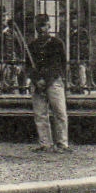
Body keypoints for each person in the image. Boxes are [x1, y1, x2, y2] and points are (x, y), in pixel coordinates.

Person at [26, 14, 69, 153]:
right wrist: (36, 80)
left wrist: (47, 79)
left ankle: (62, 143)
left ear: (49, 26)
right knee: (40, 114)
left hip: (54, 82)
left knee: (60, 112)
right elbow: (28, 66)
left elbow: (60, 64)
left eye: (44, 25)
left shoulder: (57, 43)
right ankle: (45, 143)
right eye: (39, 26)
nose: (41, 28)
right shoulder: (31, 45)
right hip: (37, 83)